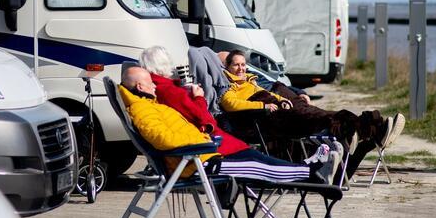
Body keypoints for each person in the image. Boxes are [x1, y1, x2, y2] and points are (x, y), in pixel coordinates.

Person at [119, 65, 339, 184]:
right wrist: (202, 143)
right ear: (140, 87)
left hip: (202, 156)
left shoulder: (149, 105)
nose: (154, 87)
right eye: (150, 83)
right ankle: (312, 172)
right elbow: (164, 139)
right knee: (260, 168)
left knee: (258, 161)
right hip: (199, 163)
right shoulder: (142, 110)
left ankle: (309, 168)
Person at [220, 49, 406, 179]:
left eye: (243, 64)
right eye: (236, 65)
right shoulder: (229, 85)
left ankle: (371, 131)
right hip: (268, 114)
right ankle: (372, 129)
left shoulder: (251, 79)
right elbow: (230, 103)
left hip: (280, 104)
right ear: (226, 67)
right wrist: (263, 105)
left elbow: (272, 88)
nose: (241, 68)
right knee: (318, 118)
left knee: (319, 114)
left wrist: (285, 98)